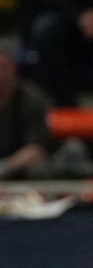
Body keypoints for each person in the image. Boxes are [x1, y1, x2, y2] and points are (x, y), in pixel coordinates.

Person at [0, 44, 51, 179]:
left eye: (3, 67)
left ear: (13, 69)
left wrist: (4, 167)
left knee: (39, 168)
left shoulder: (31, 100)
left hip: (19, 171)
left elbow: (35, 150)